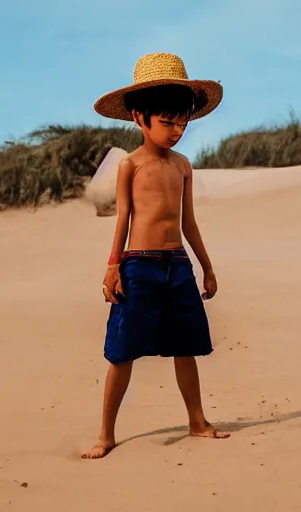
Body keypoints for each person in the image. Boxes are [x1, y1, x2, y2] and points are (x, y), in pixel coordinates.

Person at [82, 52, 230, 459]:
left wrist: (207, 266)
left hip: (177, 266)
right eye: (167, 122)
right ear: (138, 117)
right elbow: (124, 218)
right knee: (123, 350)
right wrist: (113, 267)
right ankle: (106, 434)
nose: (177, 131)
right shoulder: (130, 165)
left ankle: (197, 421)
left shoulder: (183, 166)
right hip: (139, 266)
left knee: (188, 346)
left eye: (182, 122)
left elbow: (189, 223)